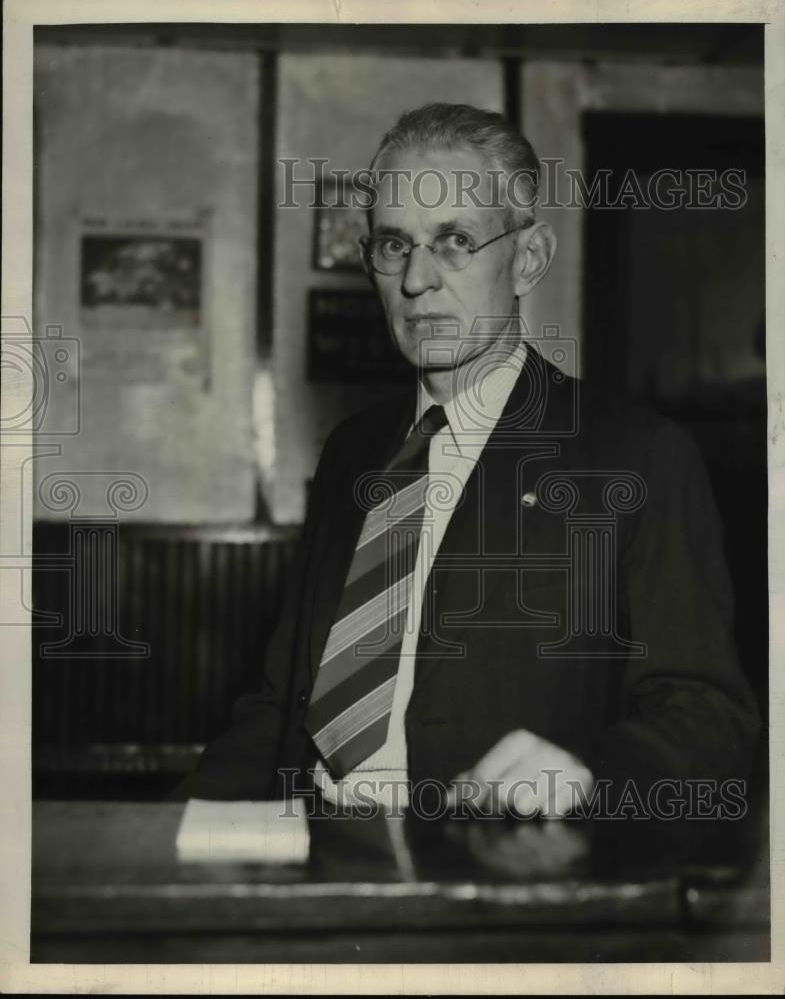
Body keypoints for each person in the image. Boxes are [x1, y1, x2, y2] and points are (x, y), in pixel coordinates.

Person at [178, 103, 759, 817]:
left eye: (454, 240)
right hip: (316, 852)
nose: (416, 280)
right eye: (393, 246)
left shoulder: (635, 456)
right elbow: (279, 702)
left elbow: (706, 716)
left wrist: (588, 776)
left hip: (494, 880)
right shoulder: (353, 452)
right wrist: (166, 837)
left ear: (528, 258)